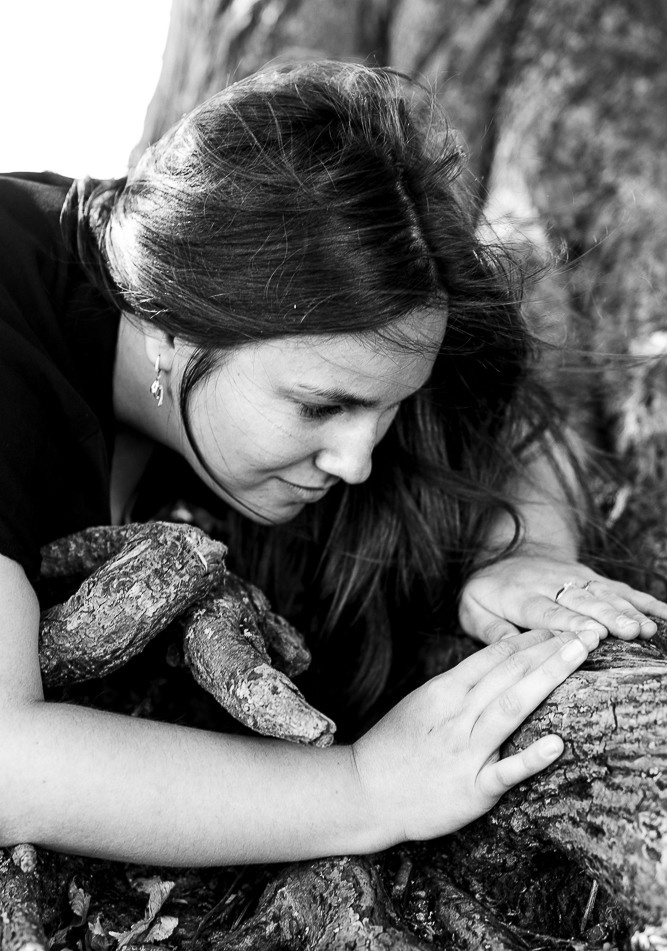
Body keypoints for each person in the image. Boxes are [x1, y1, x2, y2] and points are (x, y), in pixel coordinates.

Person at [0, 61, 664, 866]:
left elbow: (521, 419)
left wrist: (524, 553)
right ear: (168, 328)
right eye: (321, 407)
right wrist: (366, 789)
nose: (356, 462)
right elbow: (10, 762)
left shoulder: (281, 293)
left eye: (387, 406)